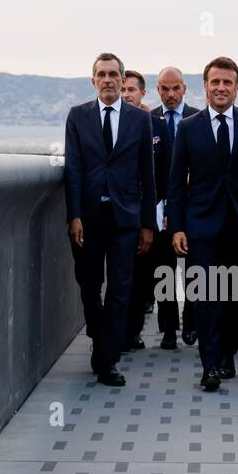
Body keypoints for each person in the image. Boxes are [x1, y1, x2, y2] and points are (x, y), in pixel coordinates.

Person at [166, 56, 238, 391]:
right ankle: (210, 365)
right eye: (214, 82)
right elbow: (175, 182)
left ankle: (227, 353)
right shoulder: (189, 127)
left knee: (232, 297)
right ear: (205, 86)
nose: (220, 88)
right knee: (205, 296)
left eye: (226, 82)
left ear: (236, 87)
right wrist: (176, 227)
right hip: (200, 225)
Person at [64, 53, 156, 386]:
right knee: (90, 287)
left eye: (113, 74)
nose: (107, 80)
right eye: (101, 74)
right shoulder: (77, 117)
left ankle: (108, 361)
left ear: (121, 79)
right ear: (93, 81)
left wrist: (148, 224)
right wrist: (73, 215)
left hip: (125, 219)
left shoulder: (139, 119)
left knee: (120, 289)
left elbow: (148, 174)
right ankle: (99, 335)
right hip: (88, 218)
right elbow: (73, 169)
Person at [150, 67, 200, 347]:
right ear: (158, 89)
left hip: (192, 205)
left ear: (184, 88)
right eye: (165, 89)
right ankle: (169, 329)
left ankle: (191, 322)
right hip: (159, 207)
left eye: (175, 88)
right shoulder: (147, 120)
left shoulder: (198, 118)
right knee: (163, 269)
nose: (171, 94)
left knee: (194, 267)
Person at [121, 69, 156, 348]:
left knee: (139, 280)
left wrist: (150, 221)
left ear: (142, 92)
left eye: (130, 89)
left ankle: (132, 332)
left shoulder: (149, 122)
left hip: (142, 213)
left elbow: (154, 175)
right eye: (122, 89)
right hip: (113, 214)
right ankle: (116, 334)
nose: (125, 95)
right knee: (121, 281)